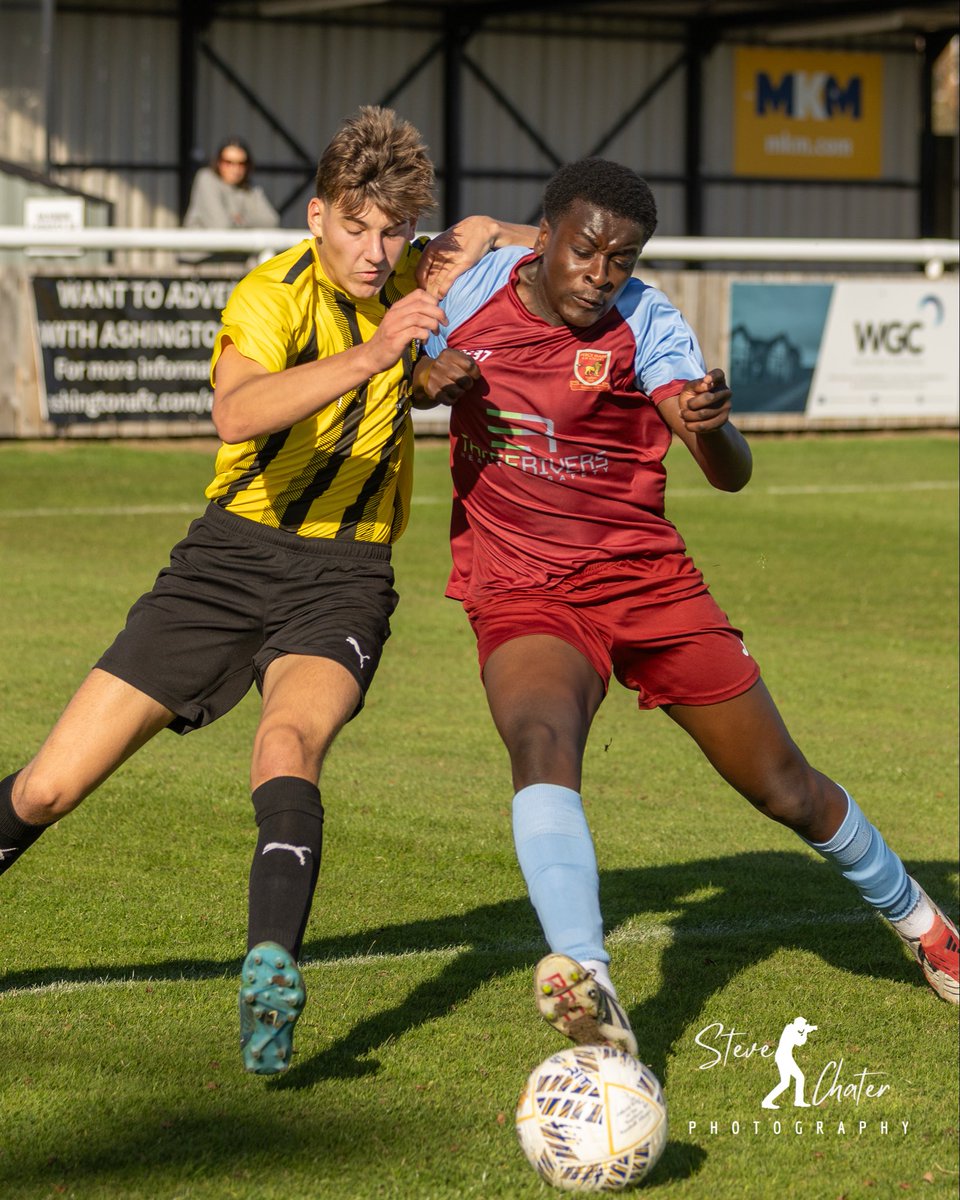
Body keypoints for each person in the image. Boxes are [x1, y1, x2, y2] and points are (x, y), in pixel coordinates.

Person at [0, 106, 533, 1076]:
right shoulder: (271, 294)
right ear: (316, 213)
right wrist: (385, 356)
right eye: (358, 229)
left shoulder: (416, 270)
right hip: (225, 565)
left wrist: (485, 245)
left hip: (344, 576)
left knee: (286, 742)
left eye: (395, 233)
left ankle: (270, 977)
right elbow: (238, 410)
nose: (377, 255)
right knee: (47, 785)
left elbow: (532, 241)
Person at [413, 157, 959, 1056]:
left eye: (620, 260)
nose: (600, 273)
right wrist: (418, 380)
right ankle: (588, 980)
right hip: (524, 585)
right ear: (542, 236)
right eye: (585, 250)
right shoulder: (467, 291)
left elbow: (728, 474)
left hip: (647, 583)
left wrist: (713, 428)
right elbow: (387, 352)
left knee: (785, 787)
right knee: (541, 741)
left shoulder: (647, 320)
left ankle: (923, 924)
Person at [183, 136, 280, 232]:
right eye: (228, 162)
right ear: (219, 163)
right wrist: (248, 222)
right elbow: (221, 226)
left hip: (237, 246)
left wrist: (240, 220)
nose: (235, 169)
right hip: (203, 247)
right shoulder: (206, 178)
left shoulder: (252, 189)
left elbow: (272, 221)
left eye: (241, 163)